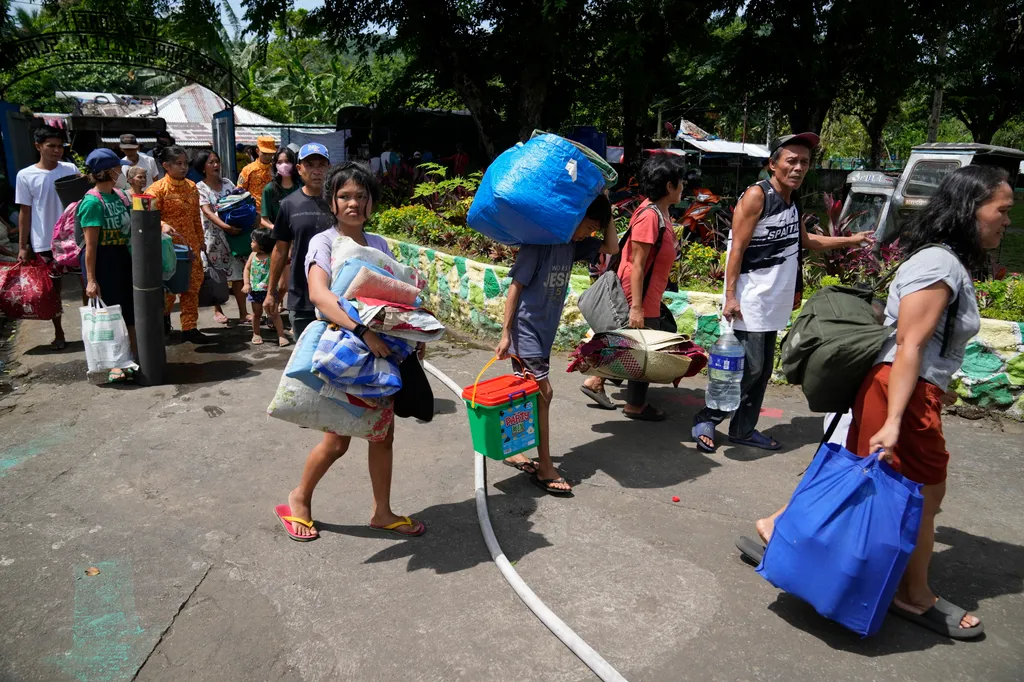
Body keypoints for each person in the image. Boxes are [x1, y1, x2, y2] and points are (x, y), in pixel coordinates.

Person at [756, 165, 1012, 640]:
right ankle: (913, 595)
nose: (1007, 221)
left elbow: (920, 345)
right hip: (902, 392)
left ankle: (783, 525)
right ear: (970, 208)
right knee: (916, 494)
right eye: (1002, 210)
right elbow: (909, 345)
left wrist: (936, 383)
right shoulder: (939, 264)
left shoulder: (942, 261)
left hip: (907, 387)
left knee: (879, 482)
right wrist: (895, 419)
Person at [690, 133, 869, 452]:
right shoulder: (758, 196)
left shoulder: (792, 200)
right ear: (773, 164)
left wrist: (852, 240)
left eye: (805, 162)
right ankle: (708, 417)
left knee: (761, 372)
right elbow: (737, 248)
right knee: (749, 368)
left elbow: (808, 242)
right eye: (792, 161)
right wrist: (730, 295)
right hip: (750, 298)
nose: (799, 167)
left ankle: (743, 430)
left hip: (775, 300)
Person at [278, 162, 424, 540]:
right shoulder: (322, 241)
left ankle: (382, 512)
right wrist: (361, 329)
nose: (353, 203)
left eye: (361, 196)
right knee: (337, 437)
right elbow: (319, 295)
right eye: (344, 196)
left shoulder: (379, 245)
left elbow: (395, 298)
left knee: (382, 434)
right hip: (342, 349)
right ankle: (299, 497)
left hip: (380, 353)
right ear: (332, 201)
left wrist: (414, 331)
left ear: (371, 202)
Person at [496, 194, 618, 494]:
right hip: (526, 332)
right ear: (573, 215)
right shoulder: (538, 244)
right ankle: (546, 468)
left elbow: (612, 247)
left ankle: (514, 449)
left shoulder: (571, 246)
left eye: (594, 229)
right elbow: (515, 288)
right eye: (588, 226)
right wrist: (505, 332)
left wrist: (606, 211)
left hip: (543, 335)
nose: (590, 233)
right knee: (543, 394)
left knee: (524, 394)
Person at [580, 155, 683, 420]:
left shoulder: (658, 211)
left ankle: (596, 381)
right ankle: (634, 405)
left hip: (648, 292)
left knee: (633, 345)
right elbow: (637, 265)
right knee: (642, 348)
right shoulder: (650, 216)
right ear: (669, 186)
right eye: (679, 183)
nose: (683, 188)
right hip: (638, 294)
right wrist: (636, 307)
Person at [15, 125, 79, 350]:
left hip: (74, 239)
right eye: (51, 146)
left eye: (60, 146)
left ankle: (93, 329)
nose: (57, 150)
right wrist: (23, 246)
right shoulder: (25, 175)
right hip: (45, 242)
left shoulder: (70, 169)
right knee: (53, 291)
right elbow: (25, 211)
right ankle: (59, 332)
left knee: (88, 283)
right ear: (38, 147)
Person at [77, 149, 136, 382]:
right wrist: (91, 280)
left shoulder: (121, 196)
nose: (121, 170)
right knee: (110, 313)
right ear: (109, 171)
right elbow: (90, 246)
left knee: (129, 311)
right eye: (117, 167)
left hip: (122, 256)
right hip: (102, 260)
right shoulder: (92, 202)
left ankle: (133, 358)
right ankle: (115, 364)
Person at [265, 143, 334, 340]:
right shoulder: (289, 204)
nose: (316, 171)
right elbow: (280, 250)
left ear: (329, 168)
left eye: (321, 165)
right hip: (302, 296)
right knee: (305, 361)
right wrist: (271, 293)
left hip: (338, 294)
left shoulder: (340, 201)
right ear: (299, 169)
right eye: (310, 165)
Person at [149, 145, 210, 343]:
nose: (183, 167)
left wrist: (201, 242)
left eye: (185, 163)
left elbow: (196, 218)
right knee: (167, 289)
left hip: (190, 246)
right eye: (178, 163)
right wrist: (161, 224)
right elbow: (145, 217)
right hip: (167, 248)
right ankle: (164, 320)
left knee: (191, 287)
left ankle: (190, 326)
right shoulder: (156, 189)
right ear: (166, 165)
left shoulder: (192, 187)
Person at [194, 150, 248, 325]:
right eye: (211, 163)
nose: (216, 165)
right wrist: (225, 226)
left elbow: (236, 202)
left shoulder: (227, 183)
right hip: (213, 238)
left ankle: (243, 313)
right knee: (217, 276)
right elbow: (207, 211)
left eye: (217, 161)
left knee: (238, 274)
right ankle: (217, 310)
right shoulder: (200, 188)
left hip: (232, 238)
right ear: (203, 168)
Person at [242, 227, 288, 347]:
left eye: (253, 241)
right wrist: (246, 283)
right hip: (255, 290)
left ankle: (281, 335)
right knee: (256, 314)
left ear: (262, 245)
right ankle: (256, 333)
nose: (250, 243)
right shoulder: (253, 255)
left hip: (270, 291)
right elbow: (247, 269)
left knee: (274, 314)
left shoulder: (272, 256)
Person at [260, 147, 301, 230]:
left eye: (287, 161)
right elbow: (264, 219)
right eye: (279, 162)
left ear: (294, 164)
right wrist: (276, 229)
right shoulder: (269, 189)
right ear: (275, 165)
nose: (284, 165)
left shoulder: (301, 185)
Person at [238, 136, 277, 214]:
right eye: (265, 153)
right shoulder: (248, 169)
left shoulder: (276, 169)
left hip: (273, 210)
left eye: (270, 154)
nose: (268, 156)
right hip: (254, 212)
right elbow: (240, 190)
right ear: (257, 151)